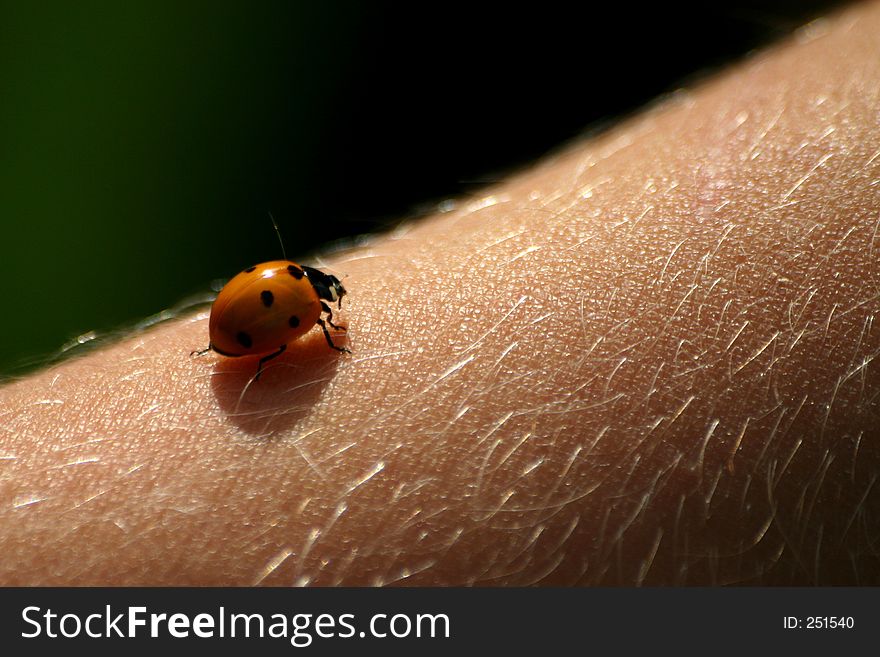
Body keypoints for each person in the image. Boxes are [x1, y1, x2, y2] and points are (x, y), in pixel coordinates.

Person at [1, 1, 878, 585]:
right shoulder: (303, 311)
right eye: (323, 308)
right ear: (314, 303)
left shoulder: (286, 298)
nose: (325, 315)